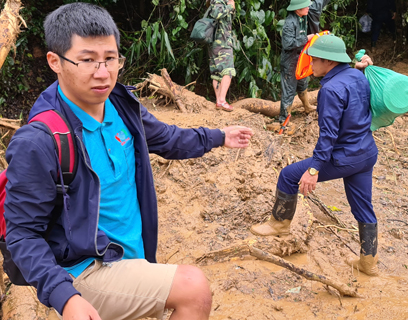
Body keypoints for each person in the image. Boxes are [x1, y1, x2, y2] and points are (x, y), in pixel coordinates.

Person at [4, 3, 253, 320]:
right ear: (55, 61)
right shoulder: (39, 140)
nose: (103, 72)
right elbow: (23, 235)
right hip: (83, 270)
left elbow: (166, 138)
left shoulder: (121, 105)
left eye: (110, 59)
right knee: (194, 289)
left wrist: (218, 136)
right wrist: (66, 297)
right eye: (87, 61)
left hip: (129, 258)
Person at [250, 35, 380, 276]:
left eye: (313, 60)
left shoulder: (329, 90)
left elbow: (328, 135)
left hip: (344, 157)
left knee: (288, 175)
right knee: (363, 207)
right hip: (366, 153)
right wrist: (360, 67)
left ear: (329, 62)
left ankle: (279, 223)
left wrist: (314, 170)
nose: (310, 64)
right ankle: (368, 262)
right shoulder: (356, 76)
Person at [278, 0, 331, 123]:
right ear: (297, 8)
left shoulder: (303, 17)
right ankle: (283, 120)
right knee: (289, 90)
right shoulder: (289, 23)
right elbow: (287, 44)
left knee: (302, 82)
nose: (308, 7)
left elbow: (318, 5)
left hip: (299, 58)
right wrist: (306, 38)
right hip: (290, 60)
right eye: (305, 5)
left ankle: (307, 106)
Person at [208, 0, 236, 112]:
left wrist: (231, 8)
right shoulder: (219, 1)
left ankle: (219, 101)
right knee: (228, 71)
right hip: (222, 43)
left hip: (216, 42)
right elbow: (217, 14)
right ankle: (221, 101)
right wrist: (230, 6)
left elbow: (226, 20)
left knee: (216, 73)